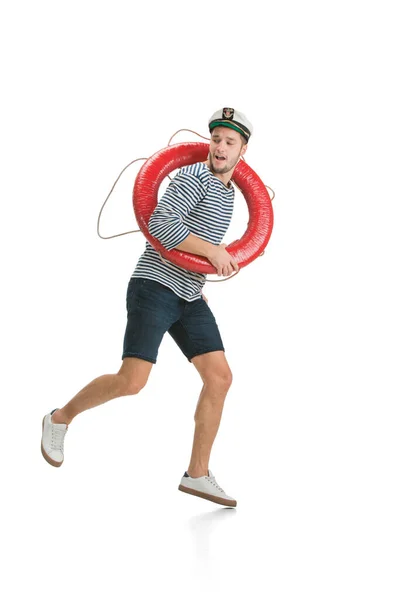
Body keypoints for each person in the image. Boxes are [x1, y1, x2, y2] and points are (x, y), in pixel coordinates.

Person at [41, 107, 253, 508]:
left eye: (229, 141)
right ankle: (58, 418)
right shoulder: (193, 177)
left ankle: (197, 475)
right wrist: (213, 252)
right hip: (154, 285)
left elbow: (197, 244)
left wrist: (201, 275)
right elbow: (161, 224)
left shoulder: (228, 194)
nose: (220, 147)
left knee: (220, 377)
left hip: (190, 294)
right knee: (132, 381)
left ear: (243, 149)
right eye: (217, 139)